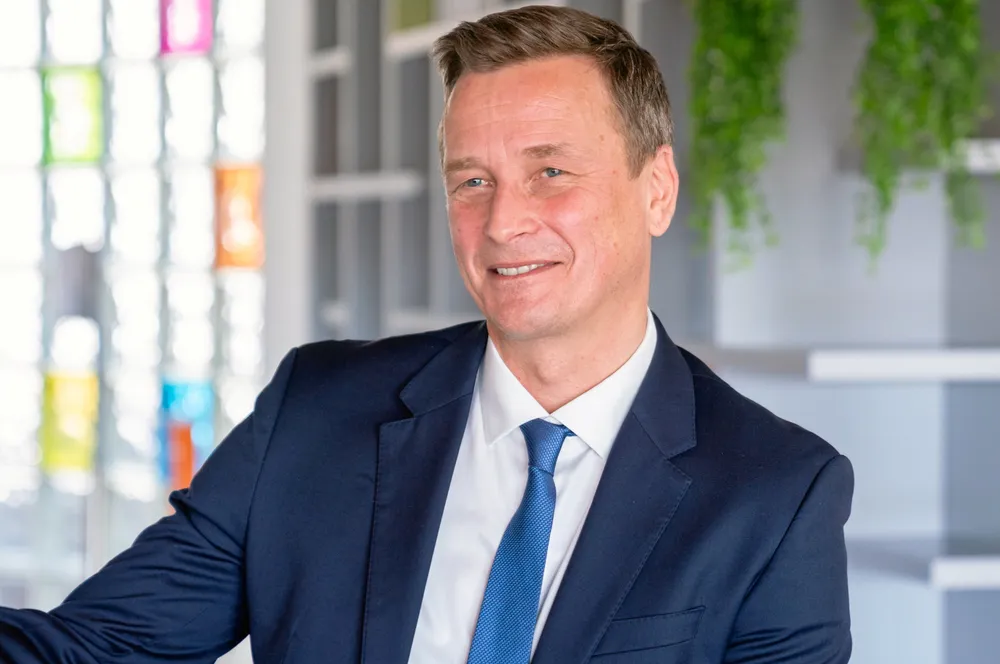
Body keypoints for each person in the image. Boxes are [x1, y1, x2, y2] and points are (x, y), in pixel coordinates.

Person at [0, 5, 853, 663]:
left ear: (656, 188)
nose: (503, 222)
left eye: (550, 172)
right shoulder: (314, 414)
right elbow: (94, 647)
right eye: (472, 181)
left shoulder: (776, 493)